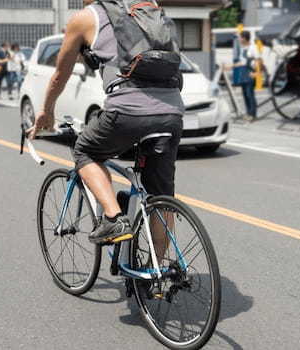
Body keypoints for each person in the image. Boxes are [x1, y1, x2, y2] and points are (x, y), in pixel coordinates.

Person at [28, 0, 184, 246]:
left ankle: (113, 218)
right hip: (172, 112)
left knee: (85, 150)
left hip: (126, 111)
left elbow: (60, 74)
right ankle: (158, 276)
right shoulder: (148, 7)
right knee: (160, 197)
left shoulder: (85, 18)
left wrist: (46, 111)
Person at [225, 32, 261, 121]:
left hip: (250, 73)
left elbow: (258, 60)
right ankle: (248, 113)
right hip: (243, 73)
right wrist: (230, 66)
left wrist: (256, 73)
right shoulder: (243, 48)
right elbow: (242, 62)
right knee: (245, 94)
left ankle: (253, 114)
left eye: (240, 38)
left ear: (245, 38)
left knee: (250, 95)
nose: (239, 40)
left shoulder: (253, 48)